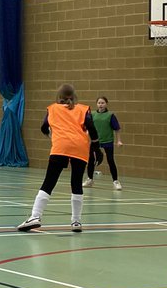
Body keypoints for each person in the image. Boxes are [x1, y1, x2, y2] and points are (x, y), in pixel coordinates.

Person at [18, 84, 99, 233]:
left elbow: (43, 127)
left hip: (60, 146)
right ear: (74, 97)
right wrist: (96, 148)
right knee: (76, 183)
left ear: (59, 98)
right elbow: (91, 128)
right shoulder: (83, 109)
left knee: (49, 182)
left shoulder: (52, 109)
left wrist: (52, 135)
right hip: (80, 147)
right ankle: (76, 221)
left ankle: (35, 216)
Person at [86, 96, 123, 190]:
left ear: (106, 104)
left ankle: (115, 181)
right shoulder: (92, 114)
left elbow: (117, 129)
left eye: (102, 103)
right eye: (99, 103)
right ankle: (90, 179)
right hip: (95, 141)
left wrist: (119, 140)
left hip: (108, 141)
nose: (100, 105)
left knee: (110, 160)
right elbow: (87, 127)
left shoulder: (110, 115)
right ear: (96, 104)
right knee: (91, 160)